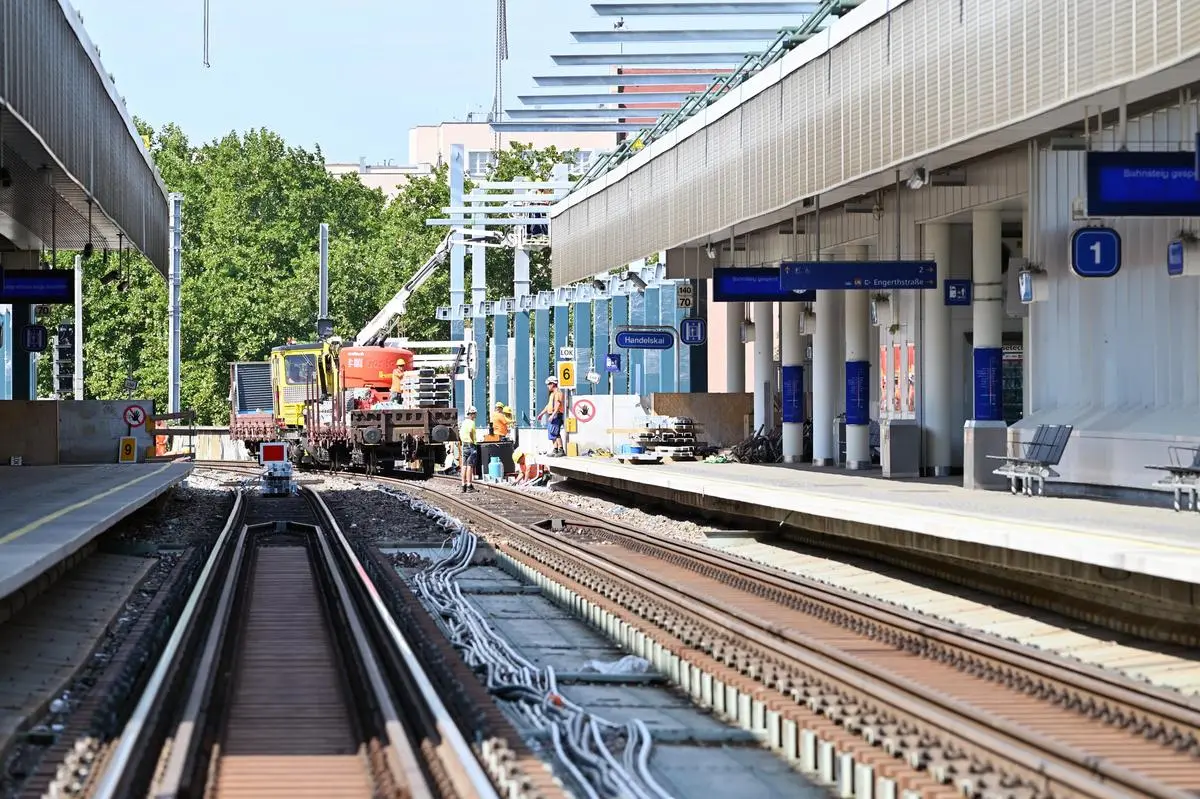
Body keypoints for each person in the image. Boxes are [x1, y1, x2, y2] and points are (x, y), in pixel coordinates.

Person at [537, 376, 565, 457]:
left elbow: (558, 404)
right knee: (552, 434)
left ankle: (561, 449)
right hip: (552, 415)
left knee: (556, 433)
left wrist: (553, 415)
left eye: (549, 384)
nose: (547, 386)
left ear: (553, 384)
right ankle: (555, 449)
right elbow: (548, 405)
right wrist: (541, 414)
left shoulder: (558, 393)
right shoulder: (552, 394)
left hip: (556, 415)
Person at [459, 406, 479, 493]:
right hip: (471, 445)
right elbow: (471, 431)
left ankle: (463, 485)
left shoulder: (464, 422)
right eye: (475, 413)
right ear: (472, 414)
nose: (476, 415)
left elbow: (460, 433)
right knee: (470, 466)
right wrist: (472, 441)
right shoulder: (471, 422)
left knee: (464, 466)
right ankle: (469, 485)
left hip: (464, 445)